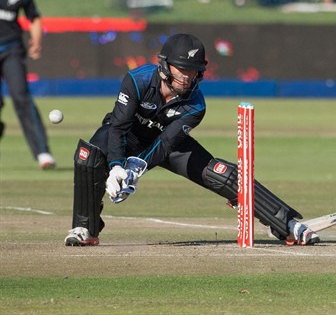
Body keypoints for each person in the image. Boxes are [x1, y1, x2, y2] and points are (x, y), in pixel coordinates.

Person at [64, 33, 319, 247]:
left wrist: (135, 170)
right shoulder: (137, 80)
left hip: (165, 144)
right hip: (126, 135)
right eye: (182, 69)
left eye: (194, 71)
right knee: (88, 156)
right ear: (164, 65)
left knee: (219, 172)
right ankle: (85, 229)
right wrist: (117, 166)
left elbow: (164, 144)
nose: (188, 77)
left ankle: (286, 223)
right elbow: (118, 127)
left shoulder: (195, 105)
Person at [0, 0, 55, 170]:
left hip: (12, 50)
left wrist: (36, 41)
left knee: (21, 98)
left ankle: (42, 152)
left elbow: (34, 18)